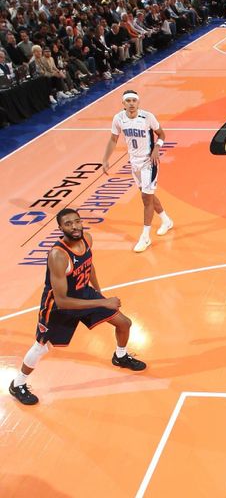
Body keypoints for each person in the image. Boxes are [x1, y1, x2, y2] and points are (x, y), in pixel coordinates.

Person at [8, 208, 146, 406]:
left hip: (84, 295)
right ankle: (18, 383)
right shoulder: (58, 255)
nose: (74, 227)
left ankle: (120, 356)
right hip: (57, 307)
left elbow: (89, 267)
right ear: (60, 228)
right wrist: (103, 302)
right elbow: (63, 300)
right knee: (41, 347)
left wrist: (99, 293)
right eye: (68, 224)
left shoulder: (87, 239)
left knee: (124, 323)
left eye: (77, 221)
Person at [102, 89, 173, 252]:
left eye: (134, 100)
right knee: (148, 195)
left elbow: (162, 134)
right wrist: (105, 159)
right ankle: (166, 220)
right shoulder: (118, 119)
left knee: (145, 199)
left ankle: (145, 237)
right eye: (128, 101)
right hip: (134, 163)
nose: (131, 103)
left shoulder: (147, 117)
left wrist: (157, 148)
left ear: (138, 102)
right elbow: (113, 139)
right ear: (123, 104)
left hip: (150, 162)